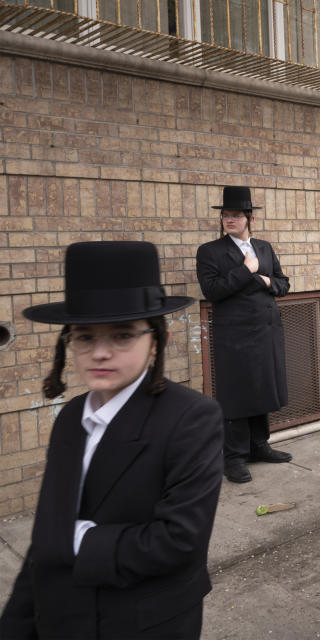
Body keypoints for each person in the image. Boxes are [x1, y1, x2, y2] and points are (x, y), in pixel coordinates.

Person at [1, 242, 223, 639]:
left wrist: (74, 538)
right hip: (62, 618)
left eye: (121, 335)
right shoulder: (71, 418)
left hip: (141, 622)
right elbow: (43, 551)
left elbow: (178, 540)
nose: (100, 353)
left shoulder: (191, 418)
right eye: (85, 337)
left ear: (156, 340)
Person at [196, 186, 292, 484]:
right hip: (234, 333)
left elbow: (283, 283)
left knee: (262, 387)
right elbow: (211, 291)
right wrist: (245, 270)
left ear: (250, 217)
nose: (229, 219)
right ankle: (234, 457)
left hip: (266, 330)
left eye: (236, 215)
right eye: (226, 215)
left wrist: (265, 280)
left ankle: (259, 445)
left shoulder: (263, 247)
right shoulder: (210, 251)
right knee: (237, 393)